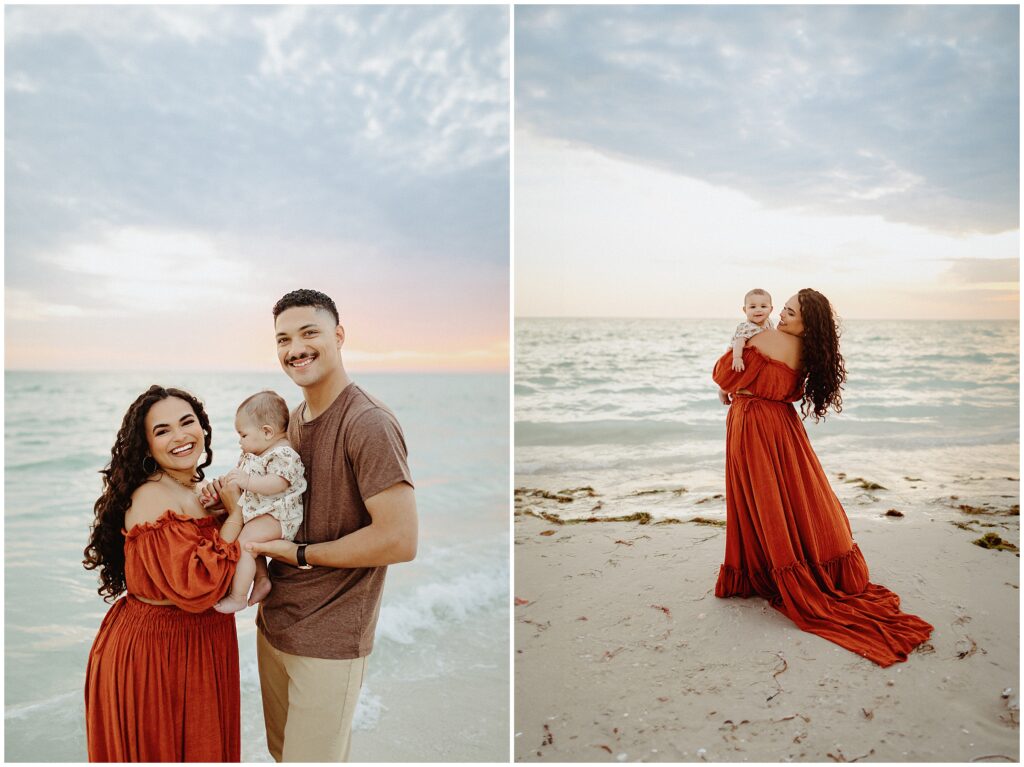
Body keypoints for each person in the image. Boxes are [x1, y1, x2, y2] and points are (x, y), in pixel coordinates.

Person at [712, 289, 933, 667]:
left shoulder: (766, 337)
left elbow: (722, 374)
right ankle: (802, 561)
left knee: (764, 497)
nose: (781, 315)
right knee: (791, 495)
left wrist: (729, 377)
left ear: (806, 322)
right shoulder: (808, 353)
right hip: (783, 426)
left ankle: (766, 568)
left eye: (791, 312)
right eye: (783, 308)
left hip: (753, 424)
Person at [244, 288, 417, 762]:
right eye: (283, 339)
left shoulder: (369, 423)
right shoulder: (289, 425)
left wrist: (299, 555)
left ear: (338, 336)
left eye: (309, 333)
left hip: (331, 638)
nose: (295, 348)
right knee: (284, 757)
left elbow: (399, 540)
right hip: (275, 625)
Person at [82, 385, 244, 761]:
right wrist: (234, 517)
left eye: (188, 422)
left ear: (203, 428)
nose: (180, 436)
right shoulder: (152, 495)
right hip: (159, 652)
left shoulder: (194, 490)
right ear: (147, 446)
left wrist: (223, 514)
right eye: (163, 430)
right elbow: (197, 585)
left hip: (197, 645)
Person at [207, 390, 307, 614]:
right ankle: (262, 579)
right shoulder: (256, 452)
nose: (239, 440)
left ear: (267, 432)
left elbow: (277, 483)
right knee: (252, 545)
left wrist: (248, 480)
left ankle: (238, 596)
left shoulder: (283, 453)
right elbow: (241, 481)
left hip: (279, 516)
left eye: (243, 435)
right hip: (264, 513)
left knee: (244, 544)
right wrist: (221, 491)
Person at [730, 288, 774, 372]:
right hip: (739, 354)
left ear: (770, 309)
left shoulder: (768, 322)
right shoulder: (747, 327)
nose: (758, 310)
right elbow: (738, 343)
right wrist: (737, 358)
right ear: (745, 310)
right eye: (752, 307)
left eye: (763, 306)